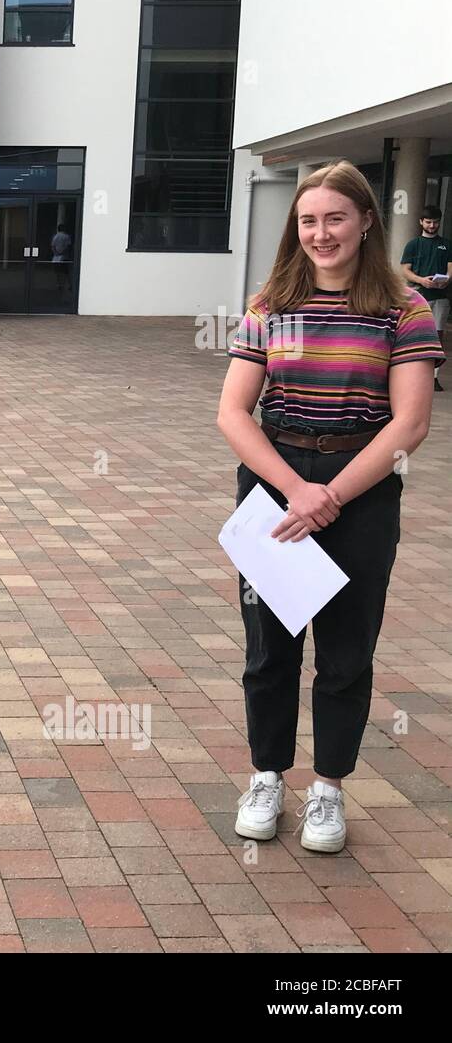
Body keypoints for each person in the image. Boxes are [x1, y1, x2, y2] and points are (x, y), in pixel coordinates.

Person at [217, 160, 441, 854]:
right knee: (269, 648)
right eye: (308, 220)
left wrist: (332, 494)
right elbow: (232, 411)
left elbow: (410, 423)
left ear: (367, 220)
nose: (320, 233)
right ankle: (266, 776)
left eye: (335, 218)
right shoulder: (269, 303)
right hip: (275, 483)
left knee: (347, 650)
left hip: (363, 487)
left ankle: (328, 790)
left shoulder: (405, 308)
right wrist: (297, 488)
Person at [399, 205, 451, 389]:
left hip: (440, 297)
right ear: (421, 222)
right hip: (419, 295)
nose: (432, 225)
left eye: (435, 222)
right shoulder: (413, 244)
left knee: (437, 335)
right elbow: (405, 270)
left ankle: (434, 377)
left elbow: (450, 268)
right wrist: (422, 280)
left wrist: (446, 280)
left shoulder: (446, 244)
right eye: (428, 222)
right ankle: (412, 374)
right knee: (414, 334)